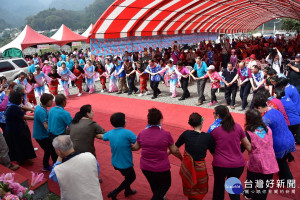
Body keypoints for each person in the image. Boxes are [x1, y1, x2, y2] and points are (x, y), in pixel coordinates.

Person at [132, 108, 182, 200]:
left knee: (153, 184)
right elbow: (175, 151)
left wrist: (124, 144)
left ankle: (159, 197)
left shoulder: (142, 133)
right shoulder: (166, 134)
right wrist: (182, 159)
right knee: (166, 184)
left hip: (145, 167)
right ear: (160, 120)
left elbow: (135, 147)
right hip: (161, 167)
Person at [208, 105, 251, 200]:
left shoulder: (213, 129)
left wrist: (215, 155)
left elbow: (210, 146)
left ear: (218, 115)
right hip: (238, 164)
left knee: (218, 188)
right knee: (233, 189)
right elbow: (247, 145)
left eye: (214, 113)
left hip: (220, 165)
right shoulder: (238, 127)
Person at [253, 93, 295, 185]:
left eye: (256, 109)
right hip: (288, 138)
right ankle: (286, 178)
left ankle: (288, 181)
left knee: (281, 162)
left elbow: (261, 135)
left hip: (279, 144)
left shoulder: (265, 119)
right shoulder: (275, 111)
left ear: (259, 108)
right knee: (282, 161)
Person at [97, 112, 137, 200]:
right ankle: (115, 192)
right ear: (123, 122)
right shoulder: (128, 133)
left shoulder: (110, 133)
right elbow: (138, 143)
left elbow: (102, 136)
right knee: (131, 177)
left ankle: (128, 190)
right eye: (125, 119)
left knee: (128, 176)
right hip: (125, 163)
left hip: (115, 162)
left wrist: (94, 134)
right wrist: (132, 147)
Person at [175, 113, 215, 200]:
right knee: (200, 189)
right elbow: (214, 153)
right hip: (200, 167)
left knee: (190, 187)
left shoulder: (186, 134)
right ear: (201, 123)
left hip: (187, 167)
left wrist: (179, 157)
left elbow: (174, 148)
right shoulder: (207, 137)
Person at [50, 135, 103, 200]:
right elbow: (96, 173)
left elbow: (52, 176)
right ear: (72, 144)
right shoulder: (89, 156)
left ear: (58, 151)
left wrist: (59, 160)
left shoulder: (58, 169)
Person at [243, 109, 279, 200]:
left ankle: (249, 194)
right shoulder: (268, 129)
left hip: (256, 162)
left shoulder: (249, 133)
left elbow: (242, 148)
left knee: (251, 180)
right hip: (270, 161)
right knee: (264, 187)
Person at [5, 91, 36, 165]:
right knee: (19, 145)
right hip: (15, 130)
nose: (22, 99)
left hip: (14, 129)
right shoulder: (13, 108)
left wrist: (33, 110)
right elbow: (24, 117)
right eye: (21, 98)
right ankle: (23, 159)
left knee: (19, 144)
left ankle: (23, 158)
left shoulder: (13, 106)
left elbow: (23, 107)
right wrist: (35, 117)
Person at [33, 93, 57, 171]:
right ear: (47, 101)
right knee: (48, 150)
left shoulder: (39, 107)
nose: (52, 102)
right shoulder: (42, 112)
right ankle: (45, 166)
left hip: (41, 134)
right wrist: (54, 131)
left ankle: (55, 162)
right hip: (41, 135)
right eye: (51, 100)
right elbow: (46, 126)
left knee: (52, 148)